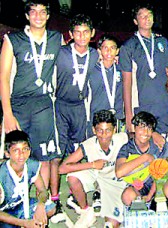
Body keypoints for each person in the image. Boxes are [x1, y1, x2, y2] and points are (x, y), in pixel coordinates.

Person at [0, 0, 64, 208]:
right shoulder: (13, 40)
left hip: (44, 106)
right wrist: (7, 114)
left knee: (43, 157)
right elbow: (3, 77)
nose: (38, 15)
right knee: (15, 156)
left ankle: (40, 205)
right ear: (27, 16)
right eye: (33, 12)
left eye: (42, 12)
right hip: (18, 106)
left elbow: (72, 58)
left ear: (48, 15)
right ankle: (13, 202)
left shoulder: (56, 38)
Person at [51, 13, 99, 220]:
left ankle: (74, 193)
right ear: (70, 34)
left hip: (81, 107)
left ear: (92, 34)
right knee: (56, 154)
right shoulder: (60, 52)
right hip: (60, 106)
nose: (81, 36)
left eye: (85, 32)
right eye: (77, 32)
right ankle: (54, 200)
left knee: (80, 150)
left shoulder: (95, 55)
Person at [59, 110, 128, 228]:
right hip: (96, 175)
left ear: (114, 130)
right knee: (72, 178)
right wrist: (92, 165)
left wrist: (154, 135)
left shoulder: (122, 138)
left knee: (112, 223)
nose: (104, 135)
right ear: (93, 130)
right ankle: (85, 210)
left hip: (114, 181)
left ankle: (106, 201)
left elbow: (140, 135)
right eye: (100, 130)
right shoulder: (88, 145)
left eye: (108, 130)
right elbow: (62, 168)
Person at [118, 3, 168, 142]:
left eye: (149, 15)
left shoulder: (163, 42)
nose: (146, 19)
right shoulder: (128, 46)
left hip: (163, 105)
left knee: (163, 150)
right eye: (142, 16)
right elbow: (126, 83)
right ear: (135, 21)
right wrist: (129, 114)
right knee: (144, 150)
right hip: (142, 106)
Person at [115, 111, 168, 208]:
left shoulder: (159, 145)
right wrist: (145, 158)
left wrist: (150, 195)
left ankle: (161, 207)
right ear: (134, 128)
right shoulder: (127, 148)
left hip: (159, 183)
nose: (145, 132)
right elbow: (119, 173)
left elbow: (161, 175)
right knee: (127, 196)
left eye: (149, 128)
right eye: (141, 127)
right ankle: (142, 210)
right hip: (138, 185)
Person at [0, 130, 56, 227]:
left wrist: (41, 205)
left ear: (30, 150)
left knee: (50, 208)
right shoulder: (2, 174)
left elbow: (43, 191)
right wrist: (24, 223)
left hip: (21, 204)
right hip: (5, 212)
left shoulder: (31, 165)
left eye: (25, 149)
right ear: (7, 153)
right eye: (16, 150)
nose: (22, 154)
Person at [87, 34, 124, 137]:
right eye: (105, 48)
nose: (109, 51)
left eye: (112, 48)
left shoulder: (122, 69)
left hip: (116, 117)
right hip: (96, 117)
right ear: (99, 50)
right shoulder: (91, 69)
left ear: (117, 51)